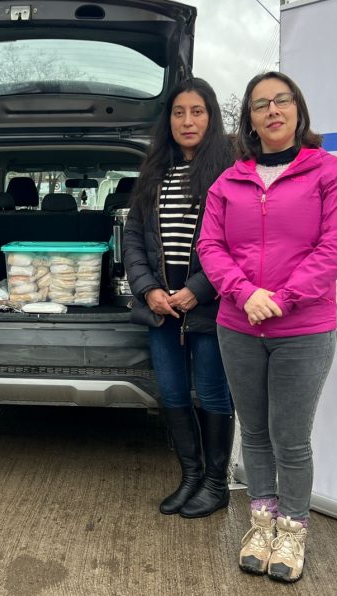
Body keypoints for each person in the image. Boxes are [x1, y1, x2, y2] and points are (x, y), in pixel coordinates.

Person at [196, 71, 337, 582]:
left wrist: (283, 298)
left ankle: (292, 531)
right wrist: (245, 293)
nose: (272, 110)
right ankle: (261, 522)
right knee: (257, 434)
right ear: (248, 118)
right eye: (260, 104)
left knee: (291, 438)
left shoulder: (329, 173)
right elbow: (211, 247)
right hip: (238, 325)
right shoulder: (230, 181)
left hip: (303, 328)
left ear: (297, 109)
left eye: (281, 100)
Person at [122, 78, 235, 519]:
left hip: (208, 306)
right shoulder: (155, 170)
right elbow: (133, 236)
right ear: (167, 120)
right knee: (171, 392)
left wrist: (198, 290)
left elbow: (238, 242)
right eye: (178, 112)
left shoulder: (229, 170)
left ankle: (216, 483)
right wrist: (148, 289)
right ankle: (190, 476)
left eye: (197, 111)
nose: (187, 121)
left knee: (211, 394)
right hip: (160, 310)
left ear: (211, 116)